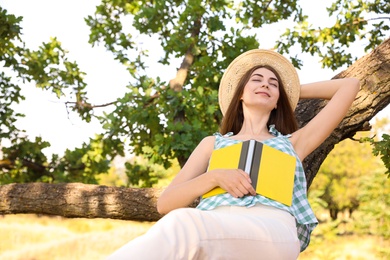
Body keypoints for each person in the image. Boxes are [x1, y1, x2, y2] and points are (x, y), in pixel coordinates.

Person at [107, 49, 360, 259]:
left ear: (277, 101)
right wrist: (213, 177)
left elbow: (350, 86)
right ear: (240, 93)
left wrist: (288, 89)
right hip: (215, 227)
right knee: (185, 234)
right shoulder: (212, 144)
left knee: (185, 225)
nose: (265, 84)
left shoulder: (294, 142)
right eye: (257, 80)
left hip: (271, 231)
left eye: (273, 84)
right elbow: (165, 203)